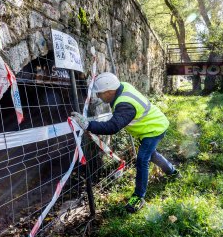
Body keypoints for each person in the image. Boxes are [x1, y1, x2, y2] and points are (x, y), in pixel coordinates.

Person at [71, 72, 179, 213]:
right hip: (155, 123)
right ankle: (172, 171)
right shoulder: (122, 87)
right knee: (151, 155)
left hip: (154, 129)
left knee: (142, 160)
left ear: (110, 91)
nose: (98, 96)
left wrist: (88, 125)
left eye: (100, 93)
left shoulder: (125, 104)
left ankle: (138, 197)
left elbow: (112, 127)